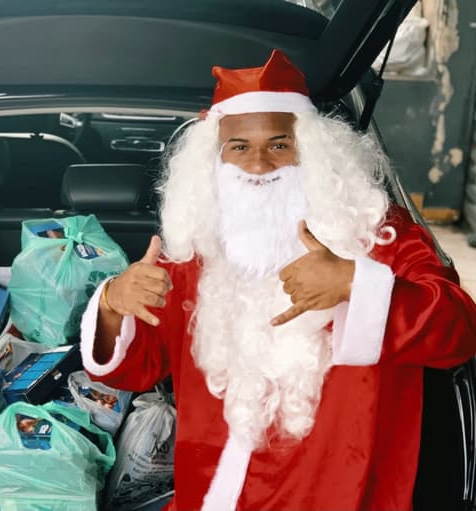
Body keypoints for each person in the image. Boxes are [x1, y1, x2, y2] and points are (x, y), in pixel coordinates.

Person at [79, 49, 476, 510]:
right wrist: (111, 306)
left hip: (337, 492)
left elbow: (460, 331)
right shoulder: (193, 254)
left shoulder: (379, 236)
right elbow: (134, 369)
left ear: (314, 153)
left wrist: (353, 284)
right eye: (240, 147)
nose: (259, 165)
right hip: (213, 489)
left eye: (279, 145)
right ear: (216, 160)